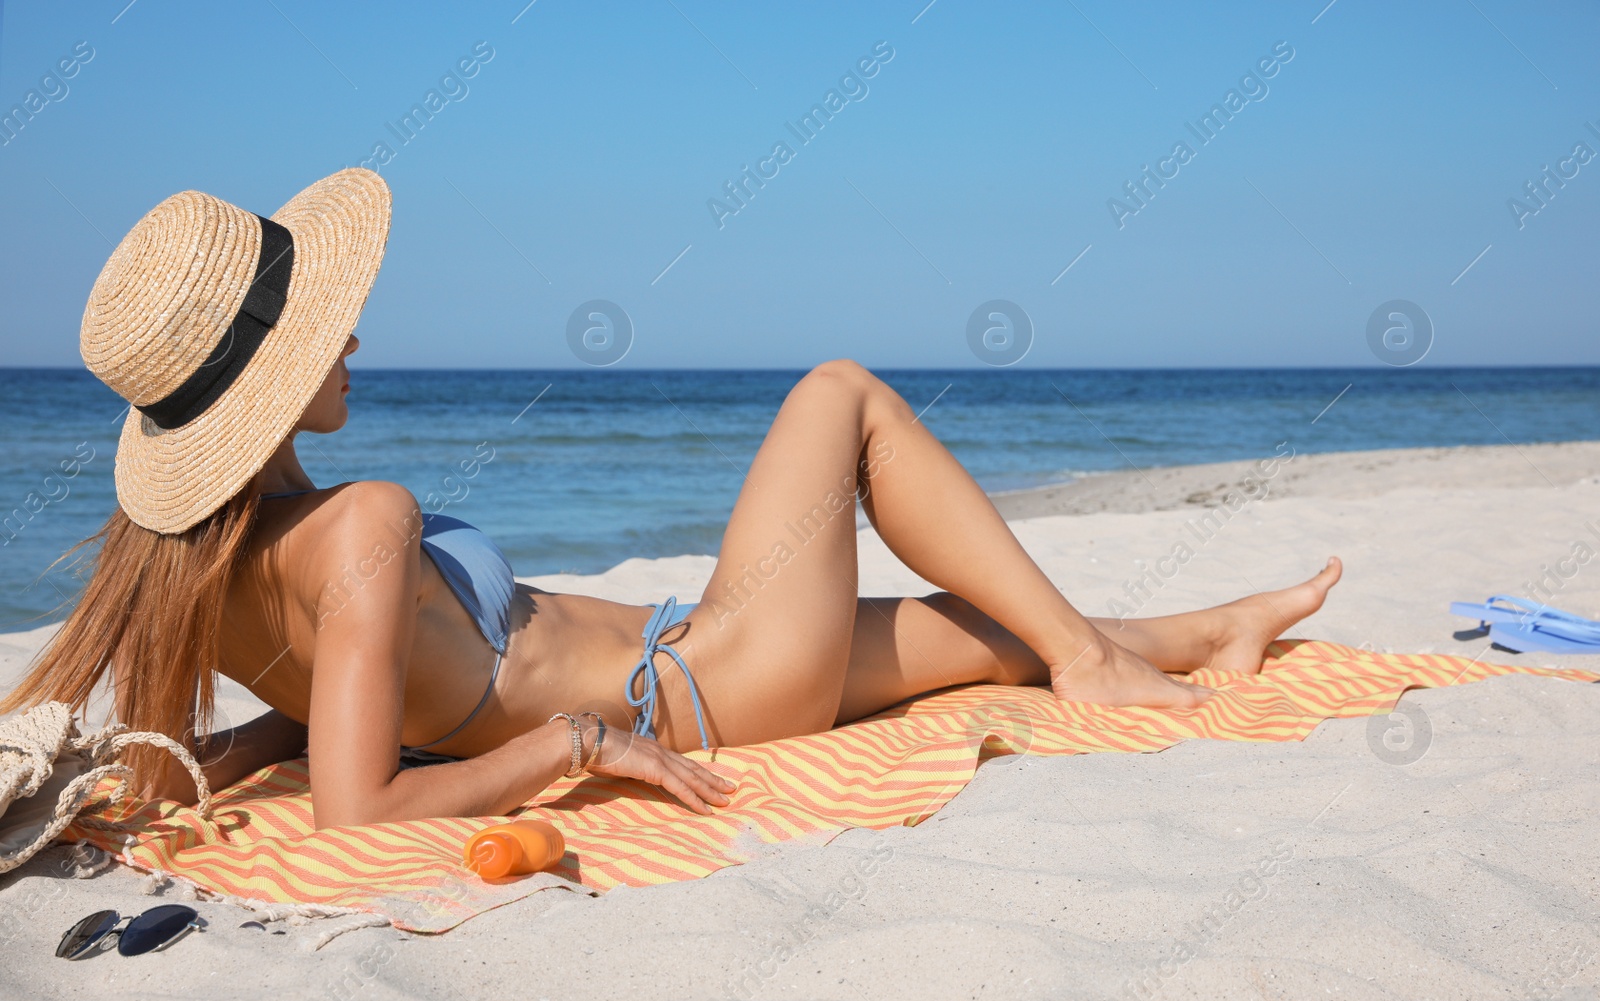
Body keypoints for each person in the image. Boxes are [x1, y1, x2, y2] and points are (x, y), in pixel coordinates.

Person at [1, 170, 1341, 830]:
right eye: (324, 330)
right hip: (704, 690)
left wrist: (247, 755)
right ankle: (1104, 656)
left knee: (982, 633)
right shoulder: (359, 525)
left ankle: (1206, 631)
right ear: (269, 384)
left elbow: (343, 711)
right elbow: (361, 818)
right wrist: (572, 753)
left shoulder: (184, 561)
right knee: (842, 397)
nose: (350, 338)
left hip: (697, 647)